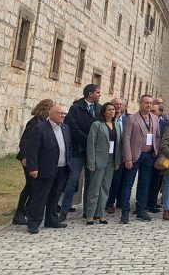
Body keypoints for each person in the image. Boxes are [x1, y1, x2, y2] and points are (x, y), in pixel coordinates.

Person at [24, 105, 72, 234]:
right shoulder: (40, 128)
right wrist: (33, 168)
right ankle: (34, 222)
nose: (63, 116)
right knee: (40, 197)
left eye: (64, 114)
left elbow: (68, 146)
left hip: (62, 168)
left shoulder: (65, 128)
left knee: (55, 196)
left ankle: (51, 219)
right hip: (45, 168)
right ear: (52, 114)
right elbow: (32, 150)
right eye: (60, 113)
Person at [59, 84, 101, 222]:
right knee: (73, 180)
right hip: (79, 150)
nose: (99, 95)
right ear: (90, 94)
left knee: (90, 181)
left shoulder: (99, 108)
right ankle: (64, 210)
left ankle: (88, 211)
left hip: (92, 152)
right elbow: (73, 128)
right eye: (97, 92)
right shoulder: (76, 108)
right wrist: (88, 141)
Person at [120, 94, 162, 223]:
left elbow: (157, 136)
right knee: (128, 184)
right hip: (134, 155)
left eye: (150, 103)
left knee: (144, 183)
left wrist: (156, 150)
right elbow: (126, 139)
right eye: (146, 103)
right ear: (140, 103)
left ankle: (141, 210)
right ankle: (125, 212)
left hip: (149, 155)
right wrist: (127, 158)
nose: (148, 105)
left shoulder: (155, 118)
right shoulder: (132, 119)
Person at [12, 99, 54, 225]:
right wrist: (25, 157)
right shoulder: (34, 123)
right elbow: (25, 141)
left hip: (37, 159)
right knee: (30, 186)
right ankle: (20, 213)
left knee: (34, 187)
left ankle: (27, 211)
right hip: (29, 159)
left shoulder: (43, 122)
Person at [85, 102, 122, 225]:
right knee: (94, 188)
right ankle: (90, 214)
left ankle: (101, 213)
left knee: (105, 188)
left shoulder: (117, 125)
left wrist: (117, 161)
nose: (112, 111)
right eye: (109, 110)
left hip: (111, 160)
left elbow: (118, 145)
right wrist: (91, 162)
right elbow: (90, 144)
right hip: (98, 159)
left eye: (113, 110)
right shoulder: (97, 125)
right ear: (104, 112)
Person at [105, 98, 128, 214]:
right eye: (115, 104)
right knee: (107, 179)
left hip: (122, 153)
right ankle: (105, 202)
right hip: (109, 153)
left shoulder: (127, 119)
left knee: (117, 180)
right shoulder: (107, 120)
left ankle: (113, 202)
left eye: (120, 104)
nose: (118, 106)